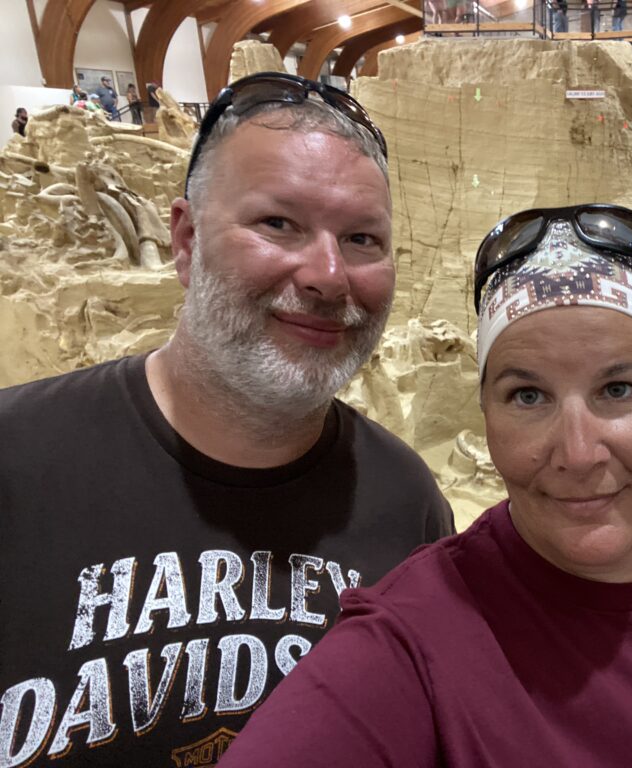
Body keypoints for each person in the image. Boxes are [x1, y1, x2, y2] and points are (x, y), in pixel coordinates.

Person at [217, 205, 632, 767]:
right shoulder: (413, 649)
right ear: (486, 414)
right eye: (527, 395)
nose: (577, 453)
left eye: (619, 388)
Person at [0, 72, 454, 767]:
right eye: (279, 224)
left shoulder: (408, 504)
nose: (328, 276)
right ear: (184, 242)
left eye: (363, 238)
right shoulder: (17, 462)